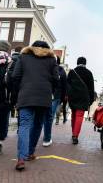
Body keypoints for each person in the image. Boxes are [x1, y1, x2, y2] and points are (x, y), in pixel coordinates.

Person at [12, 40, 59, 171]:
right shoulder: (51, 60)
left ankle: (21, 158)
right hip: (44, 97)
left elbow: (15, 76)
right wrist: (51, 90)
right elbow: (56, 79)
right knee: (38, 124)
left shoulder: (23, 57)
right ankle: (30, 152)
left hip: (26, 95)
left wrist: (18, 93)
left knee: (24, 125)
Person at [67, 56, 95, 145]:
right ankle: (75, 136)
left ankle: (73, 133)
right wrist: (90, 101)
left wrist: (68, 95)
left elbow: (67, 85)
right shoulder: (89, 73)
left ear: (77, 62)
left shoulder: (72, 72)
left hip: (73, 96)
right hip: (83, 98)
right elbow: (91, 88)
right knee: (79, 116)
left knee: (73, 115)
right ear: (85, 63)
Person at [42, 56, 67, 146]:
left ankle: (46, 137)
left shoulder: (60, 71)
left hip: (53, 96)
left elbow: (64, 85)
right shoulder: (58, 70)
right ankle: (45, 137)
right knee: (47, 116)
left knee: (48, 116)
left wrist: (62, 97)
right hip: (49, 95)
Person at [5, 46, 22, 120]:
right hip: (16, 83)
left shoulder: (9, 58)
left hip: (8, 81)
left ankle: (6, 116)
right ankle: (14, 115)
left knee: (7, 99)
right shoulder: (21, 59)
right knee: (15, 100)